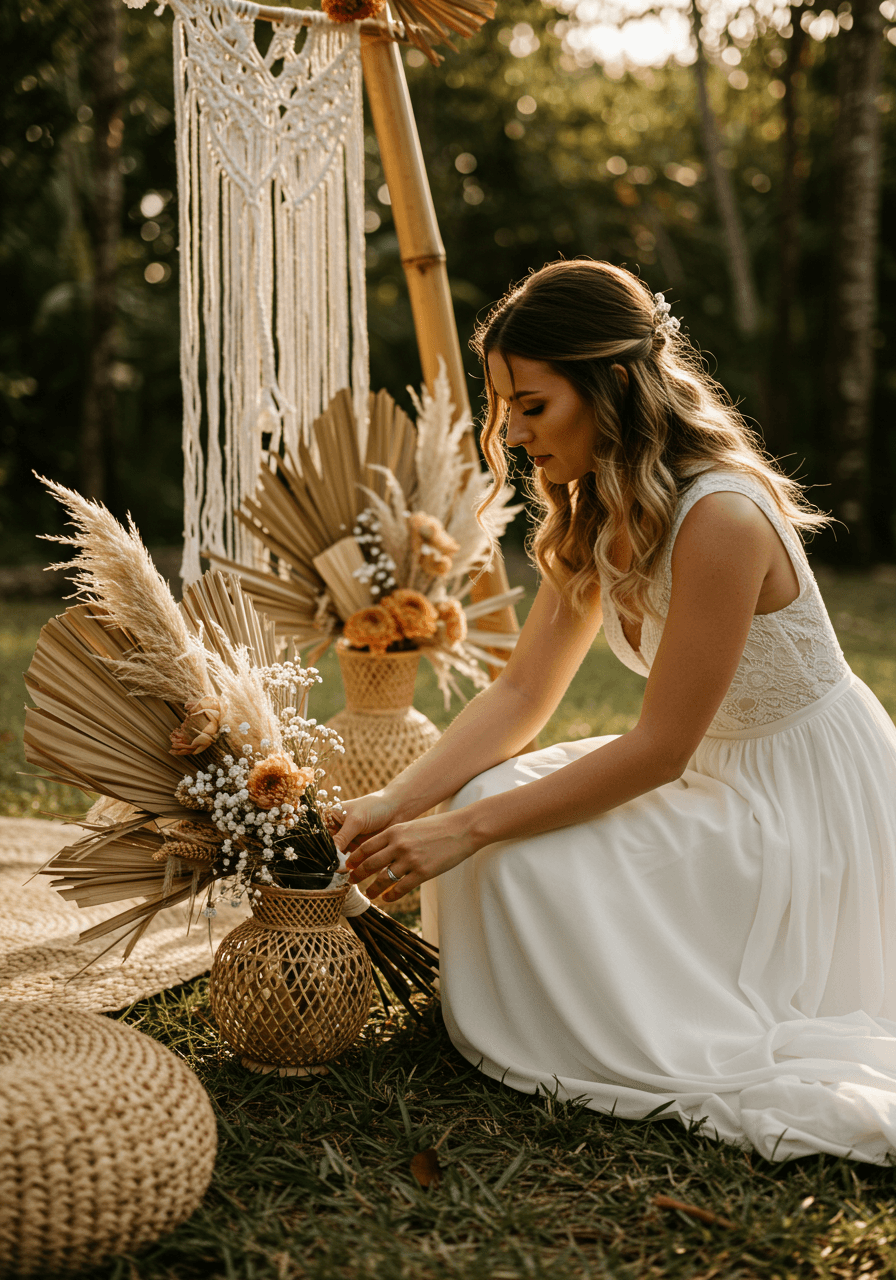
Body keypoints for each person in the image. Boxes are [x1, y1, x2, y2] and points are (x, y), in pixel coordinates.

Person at [333, 259, 896, 1163]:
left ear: (615, 384)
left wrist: (467, 830)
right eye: (503, 408)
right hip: (717, 770)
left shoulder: (718, 515)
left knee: (505, 848)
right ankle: (544, 1017)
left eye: (532, 404)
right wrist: (394, 804)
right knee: (496, 801)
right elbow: (522, 692)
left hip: (804, 804)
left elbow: (659, 749)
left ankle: (614, 1029)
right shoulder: (594, 502)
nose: (511, 433)